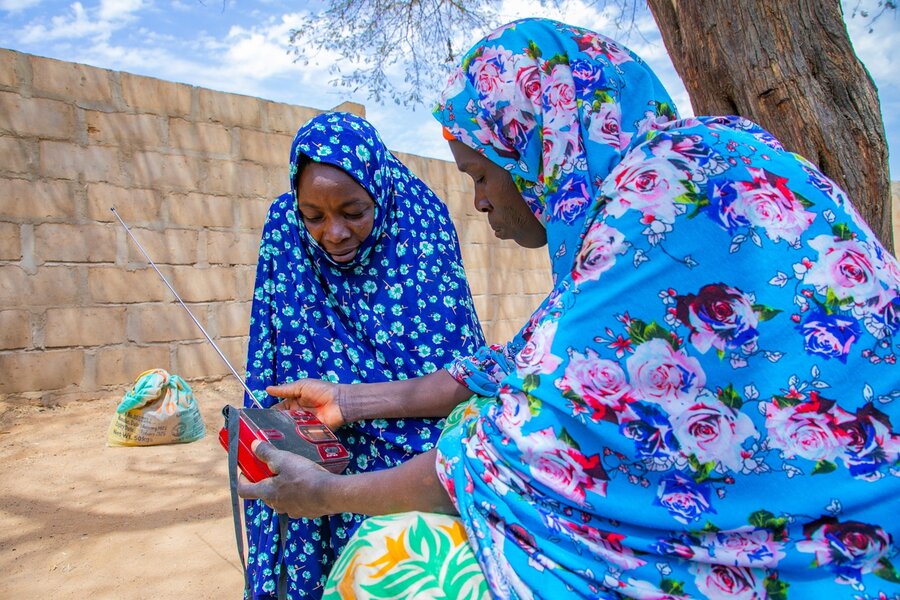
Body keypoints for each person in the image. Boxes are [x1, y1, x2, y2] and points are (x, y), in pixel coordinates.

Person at [240, 19, 900, 599]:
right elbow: (510, 369)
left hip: (830, 561)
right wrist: (347, 402)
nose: (478, 201)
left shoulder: (652, 218)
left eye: (479, 174)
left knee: (386, 563)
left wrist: (326, 497)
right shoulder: (708, 159)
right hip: (855, 532)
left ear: (538, 148)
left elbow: (500, 459)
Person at [241, 111, 486, 599]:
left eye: (353, 212)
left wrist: (351, 404)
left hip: (411, 483)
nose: (333, 233)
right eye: (314, 216)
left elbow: (467, 379)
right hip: (313, 467)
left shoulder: (421, 227)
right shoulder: (285, 235)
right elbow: (269, 358)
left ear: (381, 194)